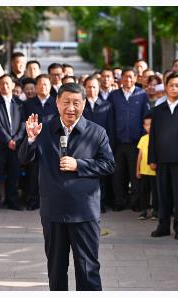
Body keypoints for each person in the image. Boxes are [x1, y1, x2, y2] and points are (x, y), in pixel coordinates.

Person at [19, 82, 115, 290]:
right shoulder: (43, 128)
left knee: (88, 268)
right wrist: (30, 139)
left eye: (76, 103)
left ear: (84, 103)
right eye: (66, 102)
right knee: (56, 269)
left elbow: (109, 165)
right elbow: (24, 159)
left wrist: (78, 165)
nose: (71, 108)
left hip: (84, 212)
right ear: (57, 103)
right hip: (53, 211)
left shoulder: (96, 132)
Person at [148, 73, 178, 239]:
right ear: (166, 86)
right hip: (161, 160)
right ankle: (163, 226)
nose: (174, 88)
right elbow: (152, 136)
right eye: (171, 85)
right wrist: (152, 158)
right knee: (163, 195)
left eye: (177, 85)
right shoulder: (157, 110)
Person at [108, 67, 150, 211]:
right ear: (121, 79)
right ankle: (120, 201)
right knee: (118, 174)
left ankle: (135, 202)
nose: (128, 80)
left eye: (131, 77)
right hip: (118, 142)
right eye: (125, 77)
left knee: (135, 174)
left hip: (135, 142)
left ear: (136, 78)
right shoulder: (113, 95)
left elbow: (146, 117)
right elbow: (110, 118)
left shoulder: (142, 94)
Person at [0, 74, 26, 211]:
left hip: (16, 144)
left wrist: (16, 139)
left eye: (8, 83)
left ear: (13, 85)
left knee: (14, 173)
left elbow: (23, 123)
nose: (5, 86)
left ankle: (13, 200)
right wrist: (7, 139)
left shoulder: (20, 103)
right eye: (2, 83)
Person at [22, 74, 58, 210]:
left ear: (50, 86)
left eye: (46, 84)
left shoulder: (56, 103)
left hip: (52, 144)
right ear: (36, 87)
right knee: (33, 174)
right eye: (40, 84)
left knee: (51, 174)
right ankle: (32, 201)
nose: (43, 87)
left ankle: (51, 202)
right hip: (34, 143)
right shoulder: (27, 104)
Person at [82, 76, 115, 213]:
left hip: (101, 146)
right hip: (84, 147)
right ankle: (85, 204)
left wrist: (110, 145)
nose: (91, 89)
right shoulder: (81, 105)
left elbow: (111, 127)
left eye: (94, 86)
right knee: (85, 176)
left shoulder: (106, 105)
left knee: (101, 177)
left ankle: (100, 204)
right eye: (89, 87)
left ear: (99, 88)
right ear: (85, 88)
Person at [136, 115, 158, 220]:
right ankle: (143, 211)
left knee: (155, 192)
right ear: (144, 126)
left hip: (154, 172)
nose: (149, 127)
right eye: (147, 125)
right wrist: (137, 169)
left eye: (151, 125)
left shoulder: (158, 138)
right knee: (143, 192)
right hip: (144, 171)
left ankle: (155, 211)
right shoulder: (143, 139)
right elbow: (139, 156)